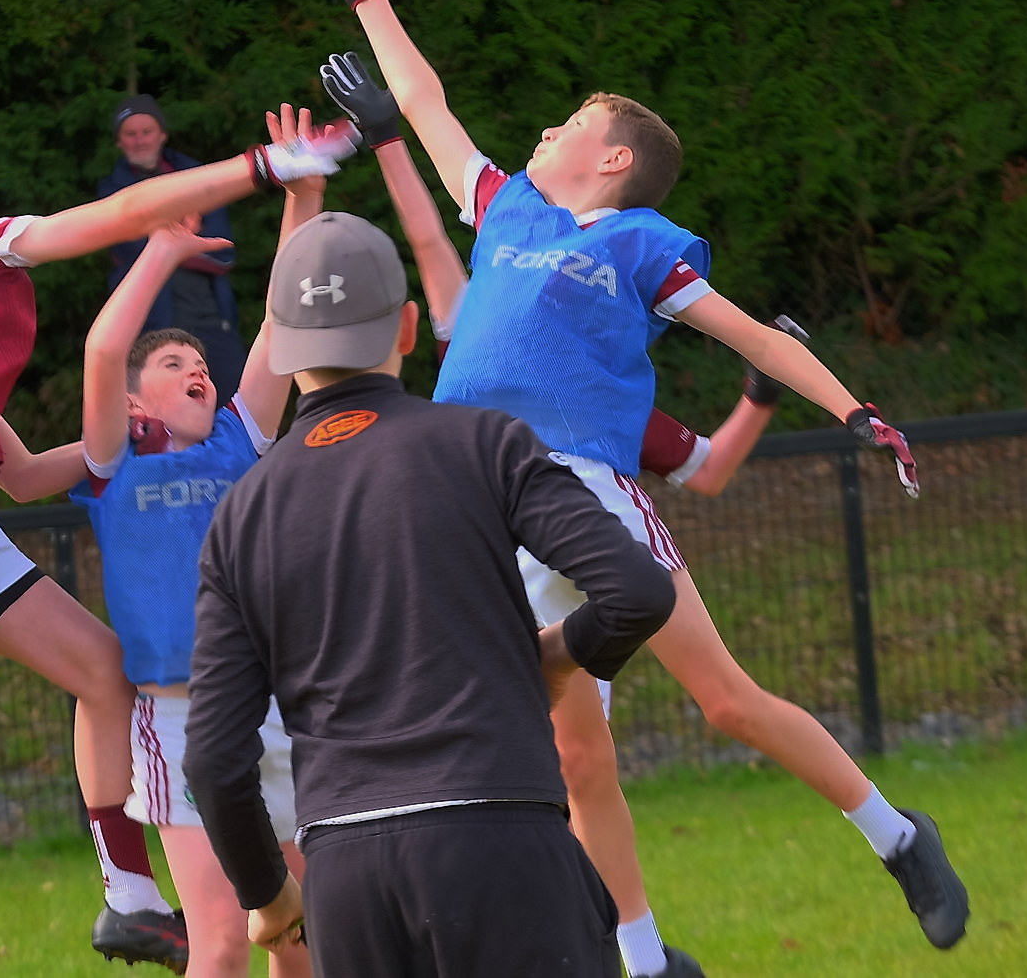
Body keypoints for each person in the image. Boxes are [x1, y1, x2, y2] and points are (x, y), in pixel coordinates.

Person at [304, 0, 970, 976]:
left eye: (568, 121)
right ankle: (648, 962)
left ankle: (898, 836)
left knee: (725, 702)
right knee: (576, 756)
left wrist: (855, 410)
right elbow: (423, 106)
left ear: (610, 158)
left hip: (584, 497)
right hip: (488, 500)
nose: (544, 129)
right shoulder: (507, 209)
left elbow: (752, 335)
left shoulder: (639, 242)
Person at [0, 123, 358, 978]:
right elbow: (111, 217)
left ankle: (129, 894)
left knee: (101, 677)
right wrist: (262, 169)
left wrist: (303, 197)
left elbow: (27, 477)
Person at [183, 209, 679, 978]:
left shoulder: (242, 512)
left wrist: (270, 892)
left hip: (347, 876)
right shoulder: (484, 442)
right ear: (409, 327)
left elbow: (214, 757)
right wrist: (557, 655)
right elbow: (638, 589)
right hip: (504, 839)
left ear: (277, 344)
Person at [73, 105, 330, 978]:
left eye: (200, 363)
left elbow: (281, 323)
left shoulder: (235, 441)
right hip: (181, 716)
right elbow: (105, 347)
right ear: (138, 402)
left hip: (278, 700)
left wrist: (306, 192)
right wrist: (161, 248)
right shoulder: (114, 462)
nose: (196, 369)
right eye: (172, 366)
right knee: (219, 938)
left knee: (303, 924)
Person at [100, 94, 249, 399]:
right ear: (119, 142)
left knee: (237, 410)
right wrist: (186, 235)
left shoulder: (198, 179)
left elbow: (223, 254)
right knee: (163, 418)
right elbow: (128, 250)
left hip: (213, 320)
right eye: (130, 133)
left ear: (162, 135)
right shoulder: (112, 192)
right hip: (151, 327)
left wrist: (161, 236)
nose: (139, 140)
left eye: (147, 131)